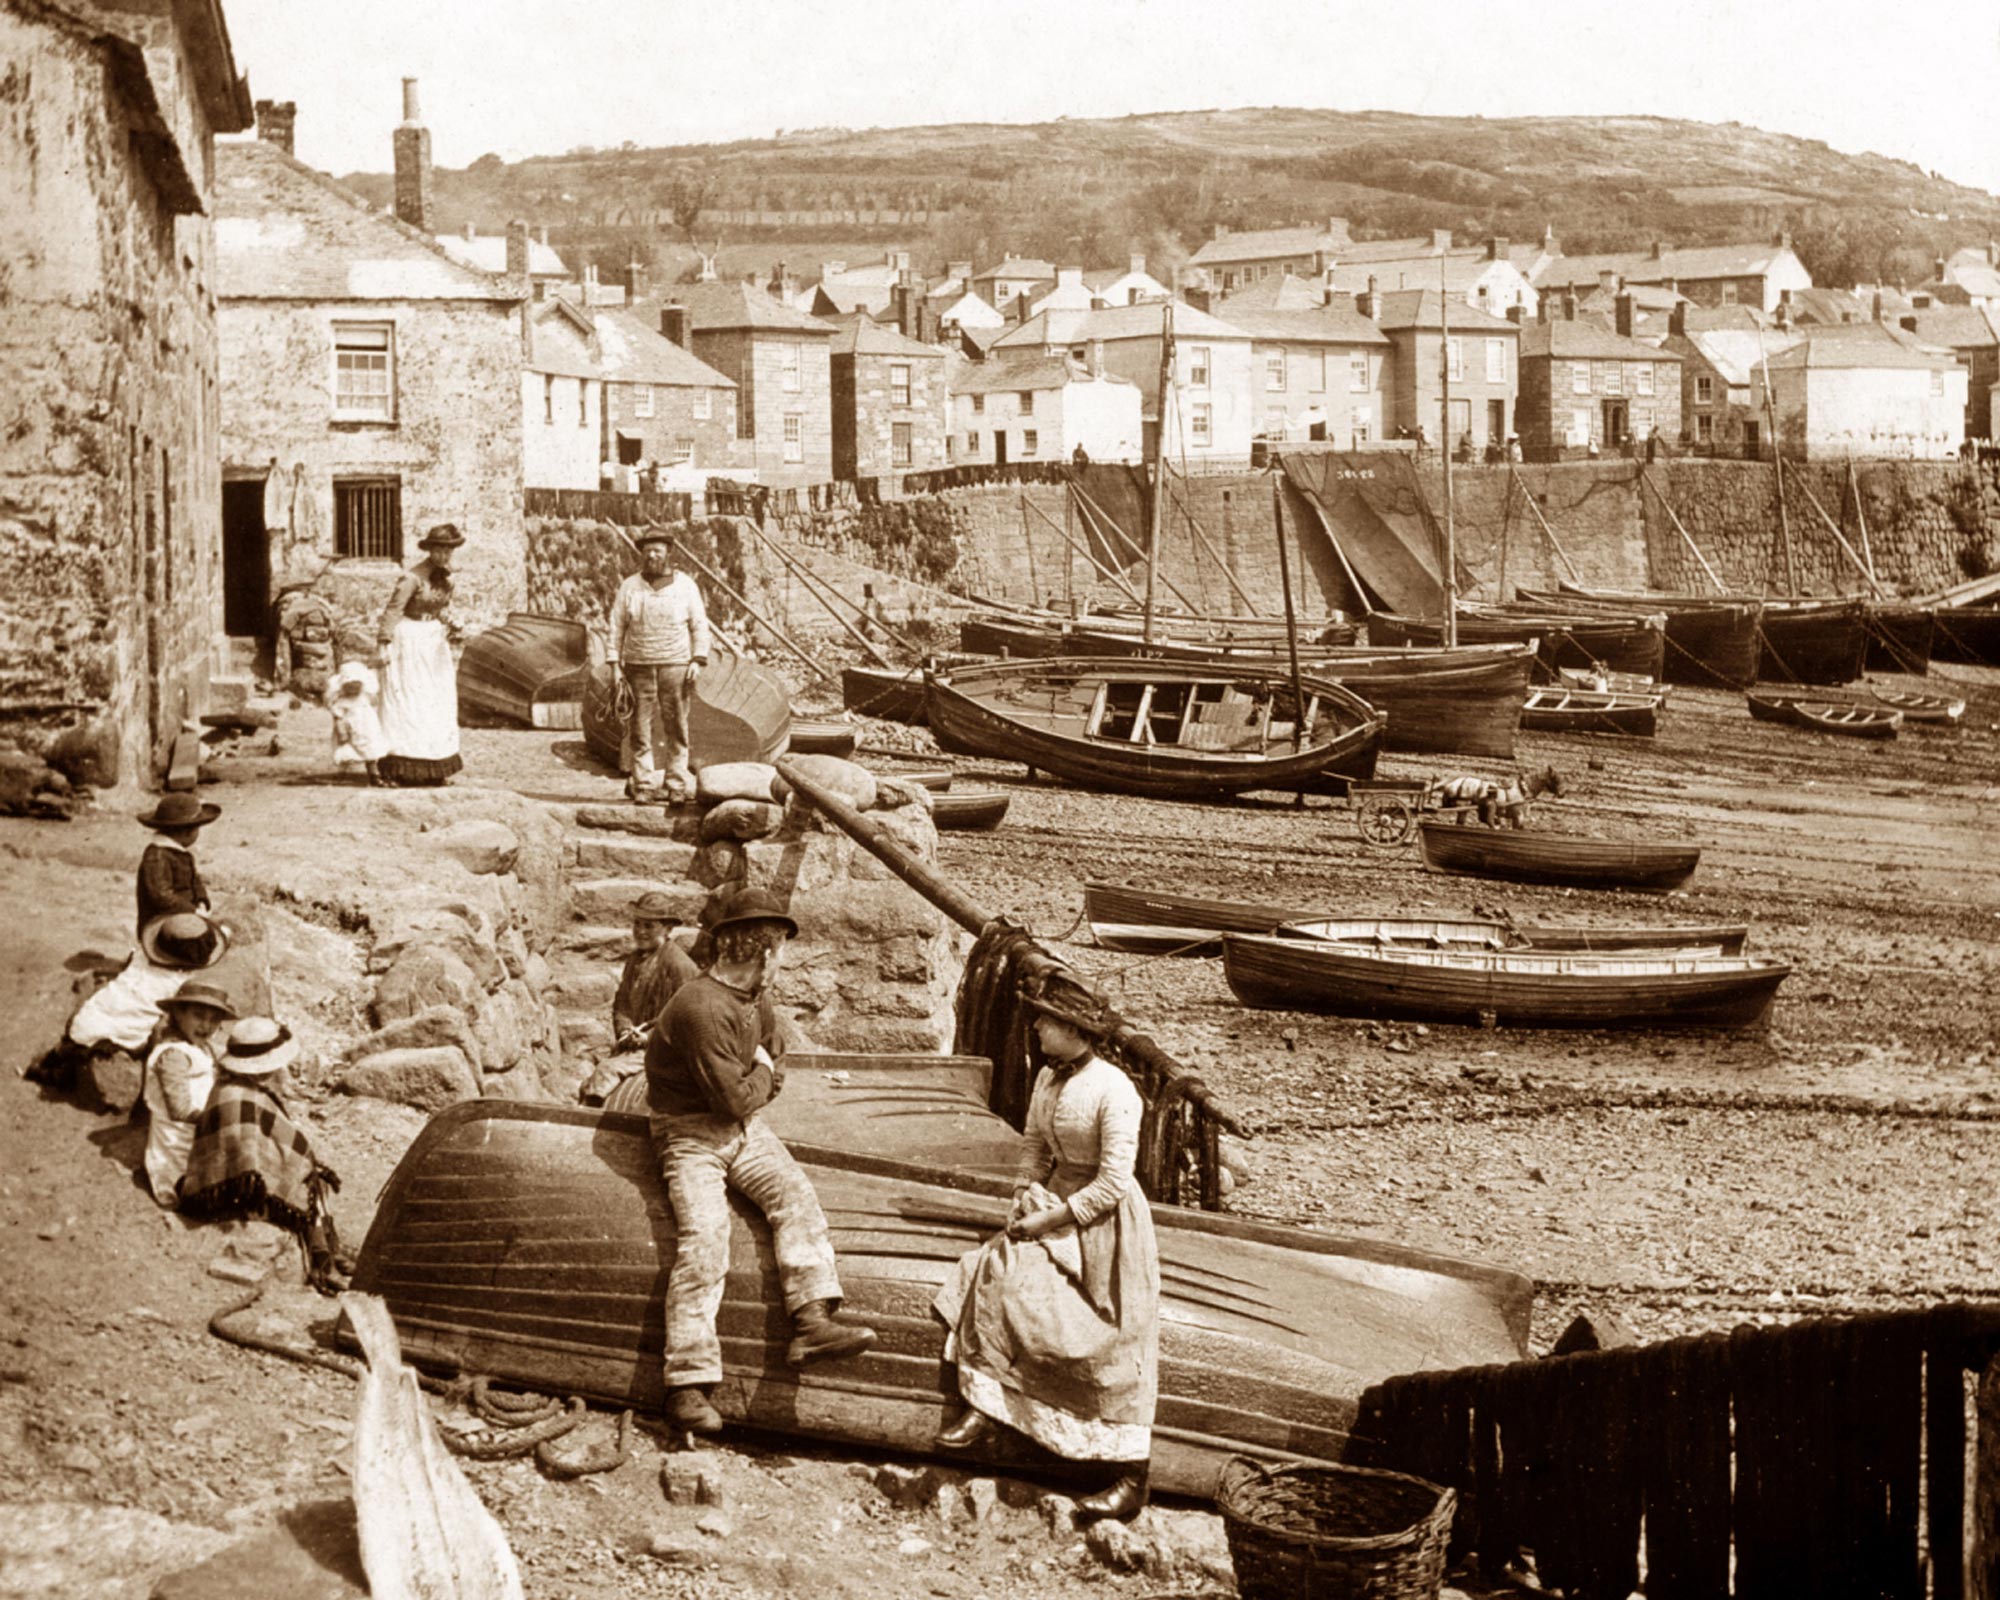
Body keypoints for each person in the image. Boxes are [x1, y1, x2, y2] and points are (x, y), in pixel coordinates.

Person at [645, 887, 876, 1435]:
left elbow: (773, 1066)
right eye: (781, 952)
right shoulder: (699, 1008)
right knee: (705, 1241)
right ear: (764, 953)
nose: (781, 961)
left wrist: (761, 1077)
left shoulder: (757, 999)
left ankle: (812, 1320)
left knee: (796, 1198)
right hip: (689, 1135)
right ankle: (688, 1384)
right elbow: (737, 1095)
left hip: (743, 1130)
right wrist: (762, 1075)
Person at [933, 985, 1159, 1522]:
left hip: (1104, 1223)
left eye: (1046, 1023)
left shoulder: (1115, 1090)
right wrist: (1021, 1194)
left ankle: (1131, 1476)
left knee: (1113, 1340)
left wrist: (1053, 1218)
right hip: (1053, 1199)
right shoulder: (1046, 1076)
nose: (1036, 1029)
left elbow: (1113, 1183)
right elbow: (1034, 1144)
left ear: (1077, 1033)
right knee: (998, 1273)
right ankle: (987, 1406)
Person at [179, 1015, 347, 1290]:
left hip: (237, 1179)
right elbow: (243, 1152)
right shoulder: (235, 1094)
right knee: (303, 1188)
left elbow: (264, 1143)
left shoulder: (245, 1090)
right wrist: (283, 1168)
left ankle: (330, 1248)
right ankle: (322, 1264)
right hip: (228, 1188)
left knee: (310, 1180)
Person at [29, 912, 231, 1105]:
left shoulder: (141, 958)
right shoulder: (178, 982)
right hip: (122, 1032)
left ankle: (58, 1063)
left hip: (89, 1018)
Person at [608, 530, 709, 803]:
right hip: (638, 666)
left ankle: (676, 785)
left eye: (658, 550)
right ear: (641, 554)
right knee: (640, 729)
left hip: (675, 665)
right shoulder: (630, 586)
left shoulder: (685, 585)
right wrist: (615, 665)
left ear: (668, 553)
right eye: (647, 551)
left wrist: (698, 659)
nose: (652, 555)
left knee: (676, 726)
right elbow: (616, 626)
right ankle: (643, 785)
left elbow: (699, 623)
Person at [580, 889, 700, 1107]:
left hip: (665, 1050)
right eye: (637, 924)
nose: (640, 931)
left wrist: (649, 1037)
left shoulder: (680, 966)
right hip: (634, 1044)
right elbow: (622, 1003)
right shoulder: (634, 960)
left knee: (605, 1072)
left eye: (649, 926)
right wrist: (625, 1029)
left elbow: (688, 1018)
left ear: (668, 928)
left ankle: (592, 1113)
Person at [375, 524, 465, 787]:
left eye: (448, 551)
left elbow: (441, 608)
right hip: (409, 641)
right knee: (410, 701)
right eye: (439, 550)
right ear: (430, 551)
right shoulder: (412, 578)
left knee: (437, 702)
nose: (444, 556)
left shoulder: (447, 578)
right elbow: (393, 611)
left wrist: (451, 623)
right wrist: (383, 644)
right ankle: (401, 767)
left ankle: (434, 768)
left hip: (434, 643)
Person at [140, 979, 235, 1208]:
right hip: (179, 1140)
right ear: (178, 1014)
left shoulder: (199, 1047)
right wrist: (223, 1118)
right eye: (198, 1015)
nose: (206, 1025)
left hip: (198, 1131)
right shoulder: (173, 1055)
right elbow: (180, 1109)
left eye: (214, 1020)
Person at [135, 792, 218, 940]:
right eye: (197, 829)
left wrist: (201, 900)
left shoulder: (181, 853)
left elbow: (195, 881)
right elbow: (162, 896)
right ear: (186, 832)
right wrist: (193, 911)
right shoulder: (157, 856)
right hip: (162, 923)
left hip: (185, 915)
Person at [325, 660, 387, 784]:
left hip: (367, 729)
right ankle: (343, 773)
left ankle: (374, 774)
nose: (353, 688)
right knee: (348, 751)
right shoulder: (342, 702)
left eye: (356, 684)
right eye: (349, 685)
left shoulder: (363, 698)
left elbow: (372, 705)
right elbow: (338, 716)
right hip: (350, 730)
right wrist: (341, 730)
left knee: (371, 750)